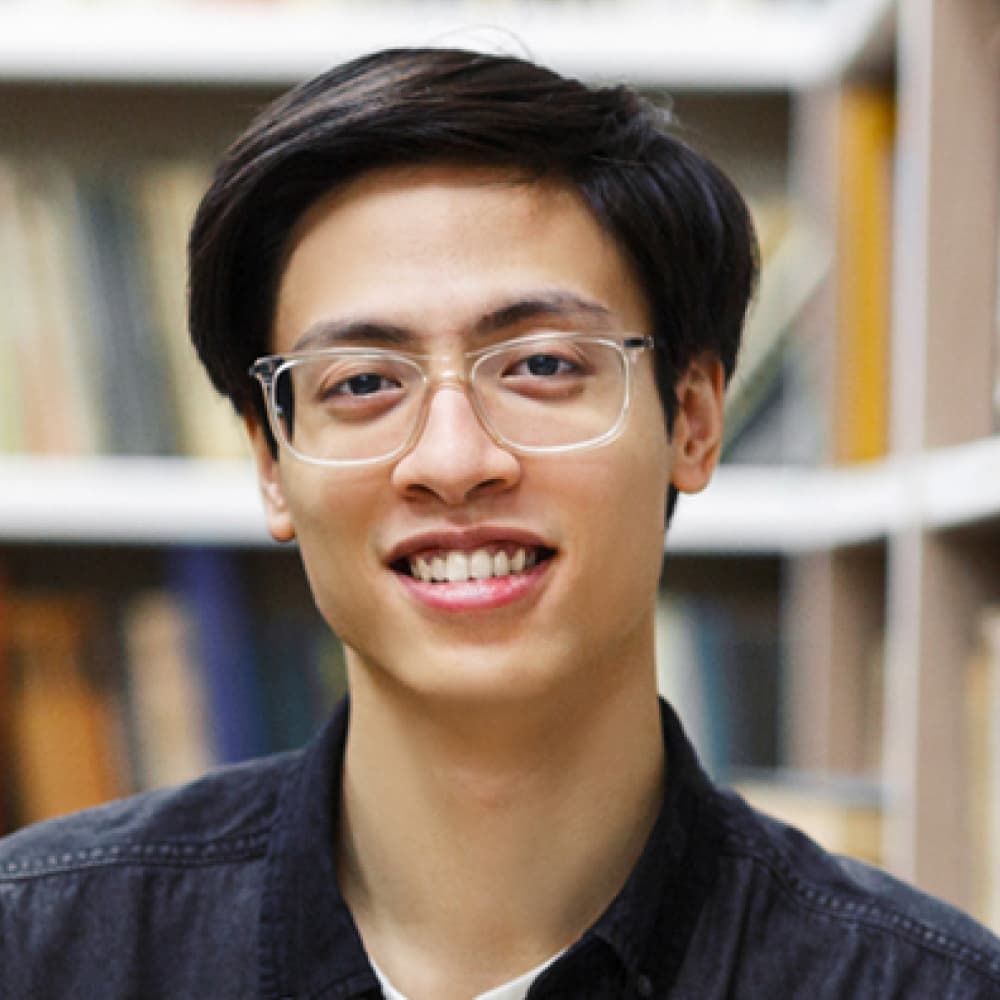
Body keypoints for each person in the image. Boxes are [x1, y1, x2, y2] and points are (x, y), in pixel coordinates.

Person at [1, 47, 998, 1000]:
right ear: (271, 461)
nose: (453, 459)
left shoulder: (922, 983)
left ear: (691, 420)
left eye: (542, 365)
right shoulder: (40, 949)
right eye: (361, 382)